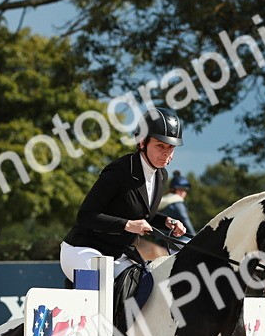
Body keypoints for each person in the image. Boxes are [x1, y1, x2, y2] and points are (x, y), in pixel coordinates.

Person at [59, 107, 187, 283]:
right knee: (101, 281)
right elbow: (85, 216)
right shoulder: (119, 171)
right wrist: (127, 225)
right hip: (84, 249)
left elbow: (139, 213)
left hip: (117, 254)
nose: (166, 153)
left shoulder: (161, 175)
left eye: (171, 147)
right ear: (142, 142)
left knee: (146, 284)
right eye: (160, 146)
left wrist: (165, 222)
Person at [158, 170, 196, 239]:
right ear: (178, 190)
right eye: (183, 190)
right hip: (172, 240)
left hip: (158, 238)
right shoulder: (177, 202)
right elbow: (185, 220)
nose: (184, 193)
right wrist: (196, 239)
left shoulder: (163, 200)